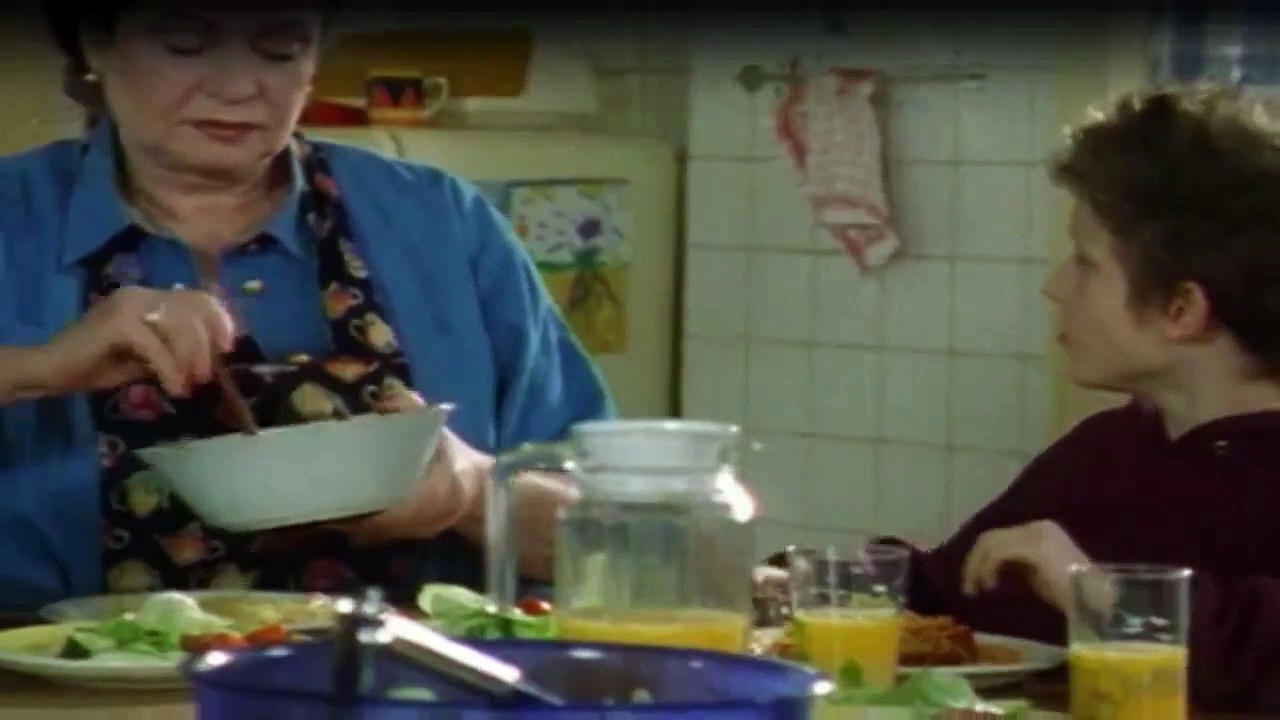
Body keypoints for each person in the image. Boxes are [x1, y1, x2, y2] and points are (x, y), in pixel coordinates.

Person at [0, 4, 613, 612]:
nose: (238, 88)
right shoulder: (14, 216)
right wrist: (38, 368)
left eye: (280, 49)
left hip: (405, 671)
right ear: (95, 44)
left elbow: (614, 539)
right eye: (185, 44)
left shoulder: (441, 223)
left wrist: (473, 492)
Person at [758, 88, 1280, 712]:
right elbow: (951, 594)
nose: (1055, 287)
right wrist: (804, 584)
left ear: (1181, 308)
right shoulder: (1107, 451)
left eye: (1085, 264)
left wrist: (1094, 591)